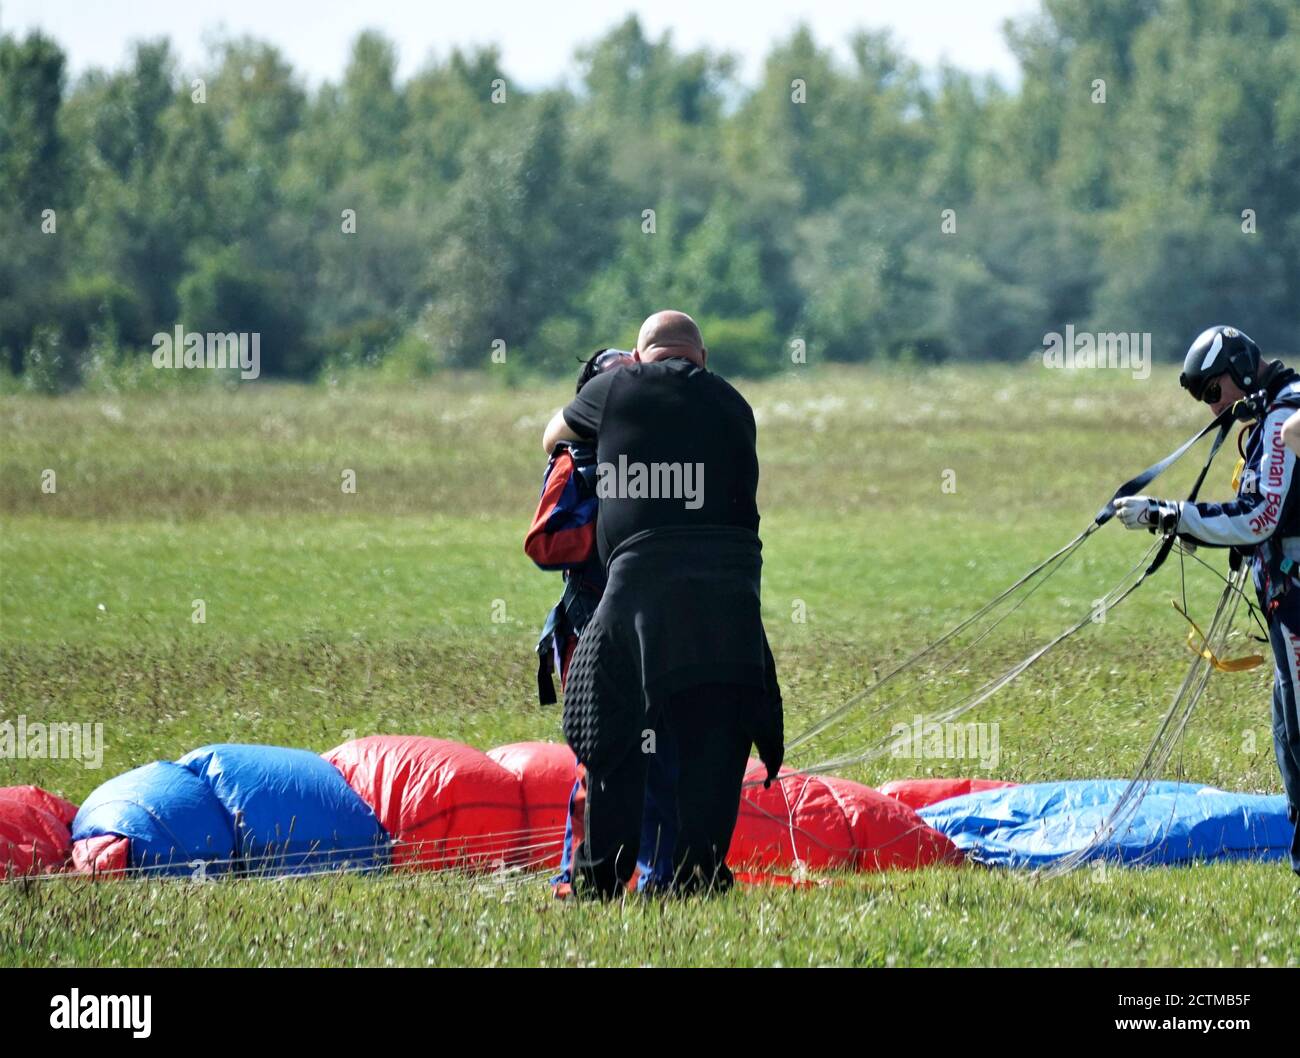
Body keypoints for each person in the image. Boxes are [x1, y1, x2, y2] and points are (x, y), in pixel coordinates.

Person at [540, 310, 784, 897]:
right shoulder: (734, 402)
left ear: (640, 354)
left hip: (643, 585)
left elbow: (553, 436)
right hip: (732, 593)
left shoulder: (619, 385)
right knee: (715, 739)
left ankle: (600, 881)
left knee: (613, 729)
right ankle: (695, 878)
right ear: (701, 357)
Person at [1114, 324, 1300, 876]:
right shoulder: (1272, 417)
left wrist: (1169, 515)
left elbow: (1259, 517)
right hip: (1284, 595)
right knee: (1286, 728)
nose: (1211, 405)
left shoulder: (1286, 419)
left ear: (1239, 373)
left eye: (1212, 391)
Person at [524, 348, 677, 895]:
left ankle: (646, 876)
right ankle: (591, 875)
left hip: (620, 623)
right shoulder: (586, 462)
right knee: (610, 757)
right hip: (596, 626)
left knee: (637, 755)